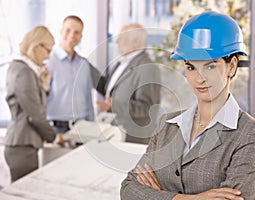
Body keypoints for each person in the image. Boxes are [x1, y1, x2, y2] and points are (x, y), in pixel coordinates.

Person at [121, 12, 255, 200]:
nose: (199, 78)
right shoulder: (167, 124)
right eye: (191, 67)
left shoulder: (250, 133)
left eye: (210, 66)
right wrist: (191, 199)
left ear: (232, 66)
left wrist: (158, 194)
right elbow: (128, 189)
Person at [4, 26, 56, 182]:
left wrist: (43, 84)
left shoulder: (23, 69)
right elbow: (35, 115)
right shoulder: (24, 71)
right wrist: (53, 136)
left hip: (22, 144)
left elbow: (33, 104)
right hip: (22, 144)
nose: (48, 57)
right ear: (37, 46)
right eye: (48, 50)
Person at [96, 23, 161, 144]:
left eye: (121, 37)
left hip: (133, 139)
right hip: (115, 134)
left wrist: (113, 105)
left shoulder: (147, 67)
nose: (117, 41)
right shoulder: (120, 63)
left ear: (136, 41)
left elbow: (147, 108)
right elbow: (109, 90)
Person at [47, 15, 100, 146]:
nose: (72, 35)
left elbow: (88, 98)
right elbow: (40, 97)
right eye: (68, 30)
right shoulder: (48, 62)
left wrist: (92, 127)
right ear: (61, 31)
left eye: (77, 32)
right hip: (56, 129)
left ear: (81, 36)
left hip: (82, 129)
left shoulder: (84, 64)